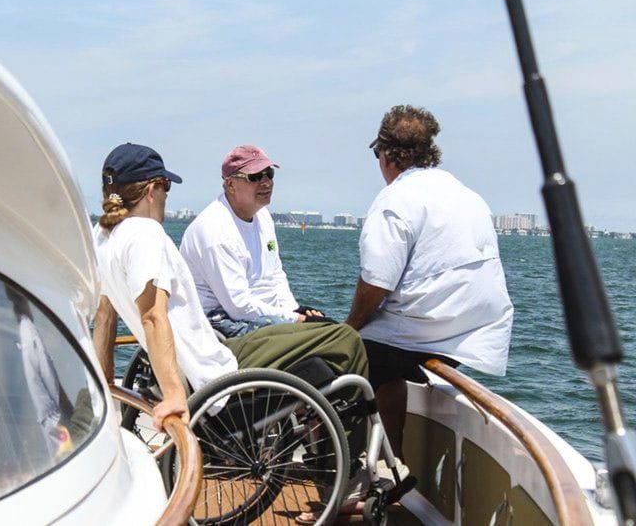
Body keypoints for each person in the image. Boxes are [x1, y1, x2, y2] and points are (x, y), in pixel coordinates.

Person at [92, 143, 371, 518]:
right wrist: (175, 396)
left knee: (318, 334)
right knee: (346, 340)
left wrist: (104, 377)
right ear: (151, 190)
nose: (166, 200)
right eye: (166, 189)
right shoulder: (145, 234)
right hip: (218, 368)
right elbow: (153, 317)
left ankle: (324, 449)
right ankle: (347, 474)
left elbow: (105, 315)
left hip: (209, 358)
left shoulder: (104, 236)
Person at [345, 105, 514, 459]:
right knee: (386, 372)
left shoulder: (395, 199)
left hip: (421, 331)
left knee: (339, 361)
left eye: (377, 152)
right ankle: (392, 467)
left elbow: (376, 282)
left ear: (387, 153)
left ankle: (350, 474)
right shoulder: (465, 194)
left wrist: (349, 329)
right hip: (469, 335)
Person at [180, 145, 331, 338]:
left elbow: (275, 276)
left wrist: (295, 310)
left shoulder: (263, 217)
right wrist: (296, 320)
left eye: (269, 174)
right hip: (219, 323)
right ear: (230, 184)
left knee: (332, 332)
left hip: (259, 317)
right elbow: (239, 306)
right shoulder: (215, 231)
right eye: (255, 176)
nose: (266, 182)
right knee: (324, 344)